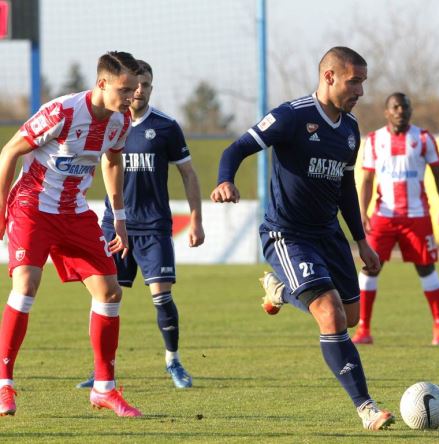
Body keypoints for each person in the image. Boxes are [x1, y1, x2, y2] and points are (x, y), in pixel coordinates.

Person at [210, 47, 394, 431]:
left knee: (351, 317)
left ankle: (279, 291)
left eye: (363, 82)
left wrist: (361, 241)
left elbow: (345, 186)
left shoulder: (349, 129)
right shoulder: (291, 116)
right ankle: (366, 408)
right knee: (330, 314)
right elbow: (237, 148)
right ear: (329, 76)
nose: (360, 91)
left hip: (329, 235)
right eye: (354, 81)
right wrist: (225, 179)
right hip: (287, 234)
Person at [0, 51, 142, 417]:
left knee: (110, 291)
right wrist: (0, 208)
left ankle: (104, 388)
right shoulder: (62, 112)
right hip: (32, 207)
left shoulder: (121, 121)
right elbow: (9, 152)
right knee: (26, 284)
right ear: (102, 83)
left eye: (135, 89)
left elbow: (113, 160)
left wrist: (120, 218)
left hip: (74, 211)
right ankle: (4, 384)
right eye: (125, 89)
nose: (132, 96)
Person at [76, 60, 205, 390]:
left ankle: (173, 360)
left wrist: (195, 219)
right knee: (104, 298)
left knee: (162, 296)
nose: (139, 91)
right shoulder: (108, 123)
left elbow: (188, 173)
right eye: (135, 86)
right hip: (114, 225)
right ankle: (102, 370)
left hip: (153, 227)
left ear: (150, 88)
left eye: (145, 85)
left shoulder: (166, 127)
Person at [350, 92, 439, 346]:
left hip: (416, 215)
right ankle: (363, 329)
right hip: (384, 216)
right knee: (370, 267)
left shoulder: (423, 138)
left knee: (426, 268)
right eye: (395, 107)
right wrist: (363, 212)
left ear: (410, 111)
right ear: (387, 112)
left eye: (404, 107)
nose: (400, 111)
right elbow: (367, 180)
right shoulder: (374, 140)